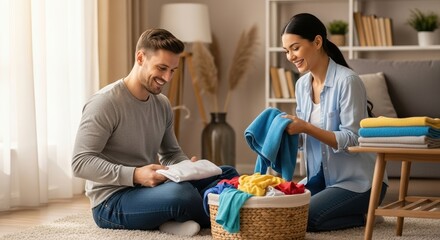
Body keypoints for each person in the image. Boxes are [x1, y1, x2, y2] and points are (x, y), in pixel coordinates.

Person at [71, 28, 239, 237]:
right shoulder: (105, 103)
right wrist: (136, 175)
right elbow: (80, 162)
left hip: (150, 188)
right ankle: (223, 213)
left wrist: (188, 167)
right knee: (183, 195)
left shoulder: (161, 104)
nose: (167, 78)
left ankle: (173, 218)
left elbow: (170, 154)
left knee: (227, 174)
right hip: (111, 202)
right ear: (140, 57)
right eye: (161, 68)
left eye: (172, 70)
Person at [280, 13, 388, 232]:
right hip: (320, 179)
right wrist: (284, 131)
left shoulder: (347, 81)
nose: (290, 56)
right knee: (281, 210)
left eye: (295, 48)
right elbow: (303, 140)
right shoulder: (302, 85)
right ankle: (349, 211)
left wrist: (306, 127)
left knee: (306, 219)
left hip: (358, 183)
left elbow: (353, 139)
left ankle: (366, 215)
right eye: (286, 51)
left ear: (317, 42)